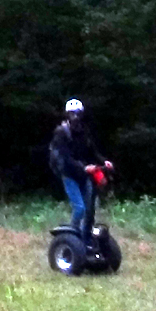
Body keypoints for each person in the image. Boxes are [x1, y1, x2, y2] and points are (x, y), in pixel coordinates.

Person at [49, 98, 113, 248]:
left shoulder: (84, 131)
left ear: (82, 114)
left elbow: (92, 151)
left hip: (84, 175)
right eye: (72, 114)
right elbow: (65, 158)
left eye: (77, 114)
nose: (75, 117)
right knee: (80, 209)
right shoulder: (61, 133)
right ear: (67, 115)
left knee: (90, 210)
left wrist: (104, 162)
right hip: (69, 175)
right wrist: (83, 168)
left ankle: (86, 239)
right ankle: (73, 239)